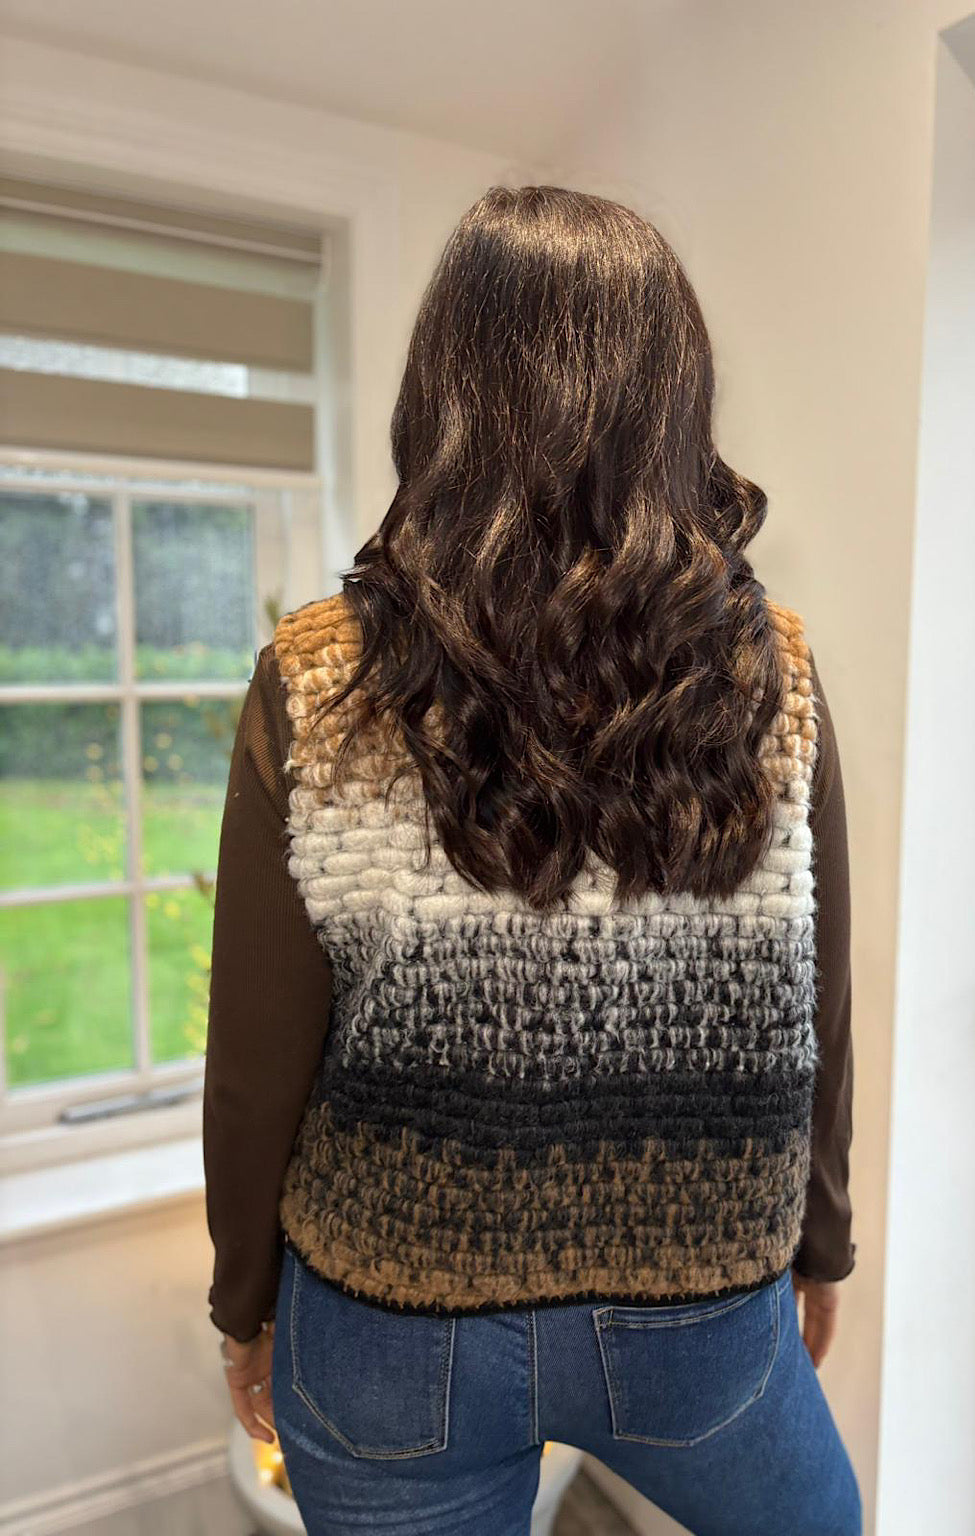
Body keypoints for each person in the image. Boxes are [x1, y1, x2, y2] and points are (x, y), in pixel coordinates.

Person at [203, 184, 859, 1536]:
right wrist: (824, 1239)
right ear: (674, 399)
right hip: (700, 1303)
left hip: (391, 1317)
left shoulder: (318, 679)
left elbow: (258, 1051)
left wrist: (245, 1300)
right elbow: (819, 990)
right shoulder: (772, 670)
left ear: (439, 396)